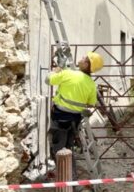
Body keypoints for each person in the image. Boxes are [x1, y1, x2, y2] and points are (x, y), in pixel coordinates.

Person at [45, 51, 104, 182]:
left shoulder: (68, 74)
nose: (81, 58)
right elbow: (90, 103)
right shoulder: (91, 84)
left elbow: (48, 80)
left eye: (84, 58)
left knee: (59, 151)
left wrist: (59, 68)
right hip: (74, 121)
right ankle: (72, 180)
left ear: (87, 64)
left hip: (60, 119)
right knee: (68, 149)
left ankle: (70, 183)